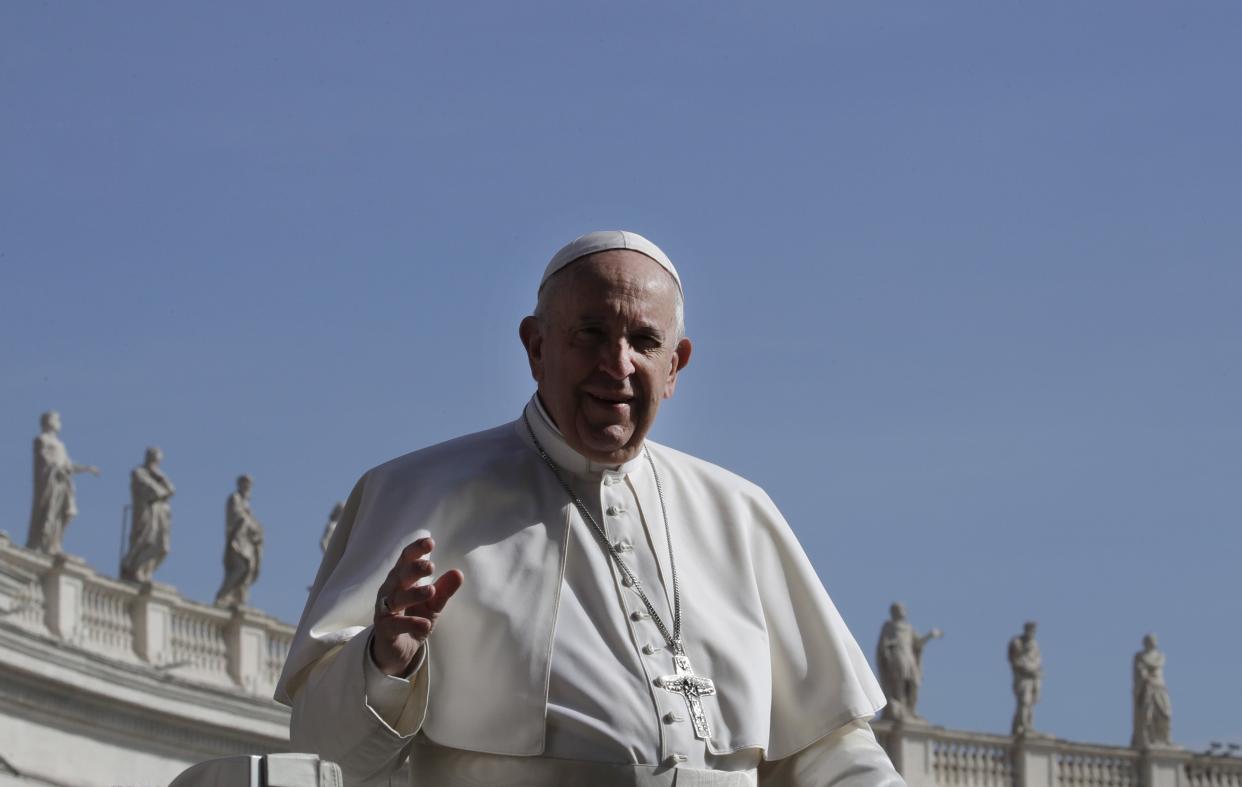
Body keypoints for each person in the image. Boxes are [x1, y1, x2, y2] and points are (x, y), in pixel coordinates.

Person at [277, 231, 905, 786]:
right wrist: (386, 662)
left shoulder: (741, 513)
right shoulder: (417, 495)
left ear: (676, 365)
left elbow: (828, 752)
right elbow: (322, 757)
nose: (617, 364)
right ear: (536, 346)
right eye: (591, 334)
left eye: (644, 341)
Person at [27, 410, 100, 555]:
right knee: (49, 512)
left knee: (69, 512)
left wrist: (86, 468)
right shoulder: (41, 440)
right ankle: (44, 543)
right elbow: (44, 460)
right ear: (48, 421)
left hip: (63, 483)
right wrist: (57, 469)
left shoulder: (60, 444)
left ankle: (55, 543)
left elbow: (68, 464)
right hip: (51, 483)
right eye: (57, 419)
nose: (59, 422)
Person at [875, 602, 941, 722]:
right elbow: (882, 646)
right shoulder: (888, 626)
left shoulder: (909, 628)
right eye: (900, 609)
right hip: (897, 657)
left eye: (903, 609)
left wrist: (930, 635)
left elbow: (918, 643)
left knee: (915, 683)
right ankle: (901, 710)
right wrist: (887, 653)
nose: (903, 611)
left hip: (909, 659)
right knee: (899, 685)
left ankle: (911, 710)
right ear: (894, 612)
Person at [121, 446, 176, 583]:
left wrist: (160, 476)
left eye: (157, 462)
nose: (155, 464)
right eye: (154, 460)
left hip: (162, 515)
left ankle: (147, 571)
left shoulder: (158, 475)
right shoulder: (138, 473)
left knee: (163, 547)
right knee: (147, 540)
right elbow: (156, 492)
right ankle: (136, 570)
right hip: (147, 514)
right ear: (148, 458)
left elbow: (171, 490)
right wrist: (162, 489)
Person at [215, 474, 264, 607]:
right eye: (246, 484)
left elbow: (249, 520)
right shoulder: (234, 498)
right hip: (238, 540)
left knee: (248, 569)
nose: (248, 487)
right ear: (241, 484)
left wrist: (257, 529)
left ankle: (238, 597)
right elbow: (236, 517)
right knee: (241, 567)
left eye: (250, 485)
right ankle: (223, 594)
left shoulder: (245, 502)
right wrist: (250, 524)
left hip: (247, 542)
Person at [1131, 633, 1172, 748]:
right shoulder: (1139, 656)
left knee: (1166, 714)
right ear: (1145, 642)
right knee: (1148, 715)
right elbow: (1138, 674)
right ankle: (1150, 738)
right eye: (1150, 640)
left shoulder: (1160, 656)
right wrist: (1143, 676)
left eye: (1154, 639)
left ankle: (1164, 738)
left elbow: (1158, 663)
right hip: (1148, 687)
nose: (1153, 641)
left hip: (1160, 686)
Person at [1008, 621, 1042, 737]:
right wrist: (1027, 668)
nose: (1032, 633)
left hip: (1034, 678)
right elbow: (1015, 661)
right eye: (1030, 630)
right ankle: (1023, 726)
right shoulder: (1017, 642)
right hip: (1023, 678)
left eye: (1034, 631)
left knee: (1030, 703)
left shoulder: (1034, 645)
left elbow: (1038, 662)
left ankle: (1025, 726)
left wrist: (1036, 673)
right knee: (1024, 701)